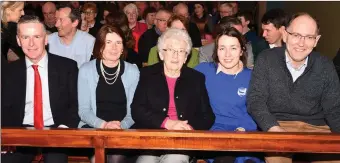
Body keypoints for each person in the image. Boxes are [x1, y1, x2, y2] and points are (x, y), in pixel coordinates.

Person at [247, 12, 340, 162]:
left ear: (316, 41)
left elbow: (334, 109)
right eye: (296, 35)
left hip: (318, 128)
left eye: (309, 37)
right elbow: (255, 100)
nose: (301, 43)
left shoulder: (325, 65)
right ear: (285, 35)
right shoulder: (266, 59)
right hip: (278, 125)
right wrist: (272, 128)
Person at [1, 15, 79, 163]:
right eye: (25, 37)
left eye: (37, 36)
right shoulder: (9, 72)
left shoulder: (67, 67)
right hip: (20, 134)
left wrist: (62, 129)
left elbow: (75, 106)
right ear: (18, 40)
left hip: (56, 132)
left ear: (46, 39)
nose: (31, 43)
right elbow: (4, 109)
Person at [131, 28, 215, 163]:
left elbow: (207, 116)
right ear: (161, 54)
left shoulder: (196, 78)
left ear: (186, 57)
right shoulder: (147, 74)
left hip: (182, 142)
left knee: (174, 160)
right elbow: (137, 110)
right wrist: (167, 123)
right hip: (152, 139)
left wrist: (189, 128)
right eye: (170, 50)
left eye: (181, 51)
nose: (176, 56)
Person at [195, 27, 262, 163]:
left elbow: (259, 108)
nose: (227, 54)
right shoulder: (203, 71)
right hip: (215, 136)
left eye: (233, 48)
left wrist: (245, 128)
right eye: (222, 48)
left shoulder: (252, 76)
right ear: (216, 51)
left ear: (242, 50)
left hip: (244, 134)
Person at [78, 25, 139, 163]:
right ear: (100, 46)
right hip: (94, 129)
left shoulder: (133, 71)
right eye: (108, 42)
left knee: (116, 158)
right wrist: (104, 125)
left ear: (123, 47)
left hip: (124, 129)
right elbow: (83, 111)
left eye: (118, 43)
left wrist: (120, 127)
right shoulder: (85, 70)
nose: (114, 48)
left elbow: (133, 112)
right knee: (98, 158)